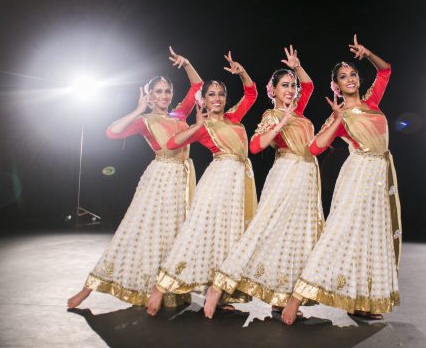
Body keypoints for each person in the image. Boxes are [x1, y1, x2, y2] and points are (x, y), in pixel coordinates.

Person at [67, 47, 202, 309]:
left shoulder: (180, 115)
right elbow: (112, 132)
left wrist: (187, 63)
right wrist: (138, 108)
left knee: (173, 236)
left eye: (167, 91)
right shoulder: (145, 120)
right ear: (150, 95)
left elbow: (197, 85)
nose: (163, 95)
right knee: (136, 233)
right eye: (158, 91)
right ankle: (87, 289)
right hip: (160, 178)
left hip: (182, 180)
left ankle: (162, 290)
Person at [282, 35, 401, 325]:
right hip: (359, 176)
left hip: (380, 177)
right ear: (335, 86)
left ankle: (360, 302)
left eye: (353, 74)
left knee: (370, 240)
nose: (349, 79)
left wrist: (368, 53)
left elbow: (385, 71)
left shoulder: (372, 101)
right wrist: (336, 120)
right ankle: (296, 298)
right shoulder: (341, 114)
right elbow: (314, 148)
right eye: (343, 77)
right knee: (341, 235)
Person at [203, 46, 324, 318]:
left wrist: (297, 65)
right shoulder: (271, 115)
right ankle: (218, 287)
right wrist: (280, 124)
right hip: (286, 173)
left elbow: (309, 84)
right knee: (261, 233)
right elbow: (256, 146)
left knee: (293, 239)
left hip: (306, 177)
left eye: (292, 85)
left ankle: (281, 299)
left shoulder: (300, 112)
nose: (291, 90)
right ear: (273, 91)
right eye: (284, 85)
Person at [146, 51, 258, 316]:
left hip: (239, 182)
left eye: (220, 94)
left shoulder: (233, 118)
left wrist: (241, 72)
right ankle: (160, 287)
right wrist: (196, 126)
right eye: (211, 94)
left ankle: (215, 292)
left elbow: (252, 94)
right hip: (217, 180)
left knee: (227, 238)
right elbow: (172, 144)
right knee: (198, 234)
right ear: (203, 100)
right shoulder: (203, 125)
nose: (217, 98)